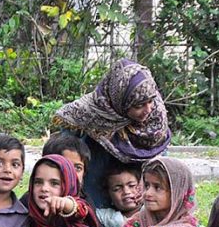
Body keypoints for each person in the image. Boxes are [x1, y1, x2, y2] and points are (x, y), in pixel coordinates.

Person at [54, 59, 171, 208]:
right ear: (119, 102)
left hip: (137, 202)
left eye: (150, 101)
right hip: (93, 198)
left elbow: (161, 166)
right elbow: (62, 158)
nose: (148, 110)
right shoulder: (88, 113)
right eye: (139, 106)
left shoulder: (155, 118)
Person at [97, 162, 143, 227]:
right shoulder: (109, 216)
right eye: (117, 189)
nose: (126, 191)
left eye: (131, 186)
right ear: (109, 195)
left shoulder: (149, 211)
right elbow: (85, 210)